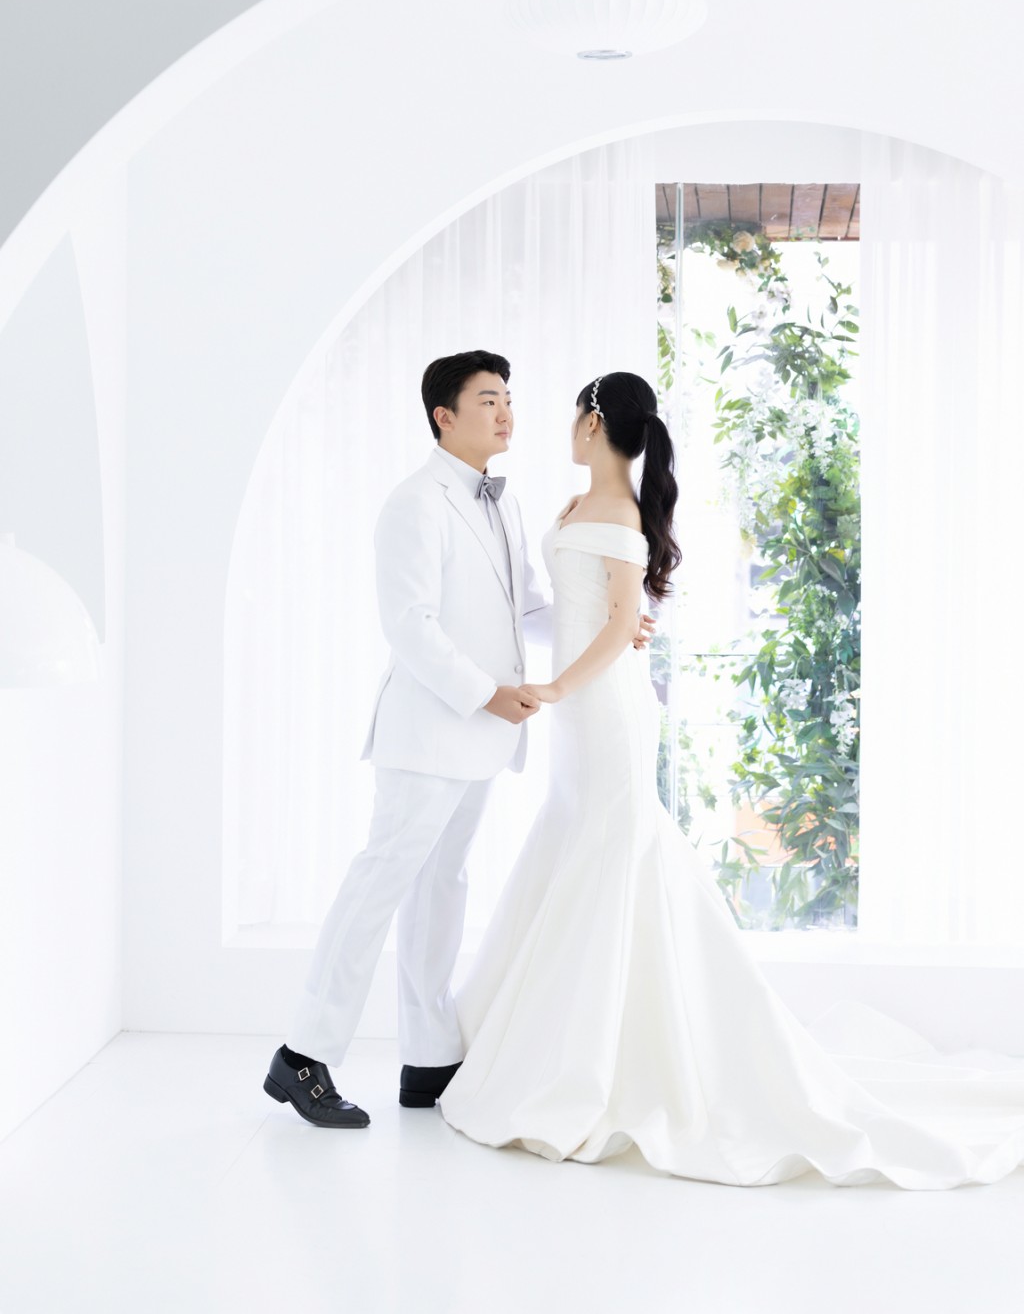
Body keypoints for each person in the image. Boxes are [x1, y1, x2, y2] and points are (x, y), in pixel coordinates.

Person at [439, 370, 1024, 1188]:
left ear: (594, 423)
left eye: (572, 416)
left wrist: (560, 685)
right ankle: (552, 1040)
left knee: (612, 855)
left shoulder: (618, 515)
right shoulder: (578, 506)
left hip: (604, 710)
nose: (561, 427)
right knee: (579, 843)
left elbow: (619, 622)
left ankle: (599, 1058)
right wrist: (576, 667)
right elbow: (593, 610)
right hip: (580, 713)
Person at [263, 350, 654, 1126]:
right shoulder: (414, 502)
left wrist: (611, 622)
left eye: (508, 398)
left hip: (482, 735)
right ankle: (303, 1054)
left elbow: (527, 609)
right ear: (444, 416)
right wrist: (487, 694)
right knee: (381, 882)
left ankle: (429, 1055)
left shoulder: (503, 504)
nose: (506, 412)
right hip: (430, 730)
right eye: (487, 399)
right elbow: (409, 624)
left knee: (442, 889)